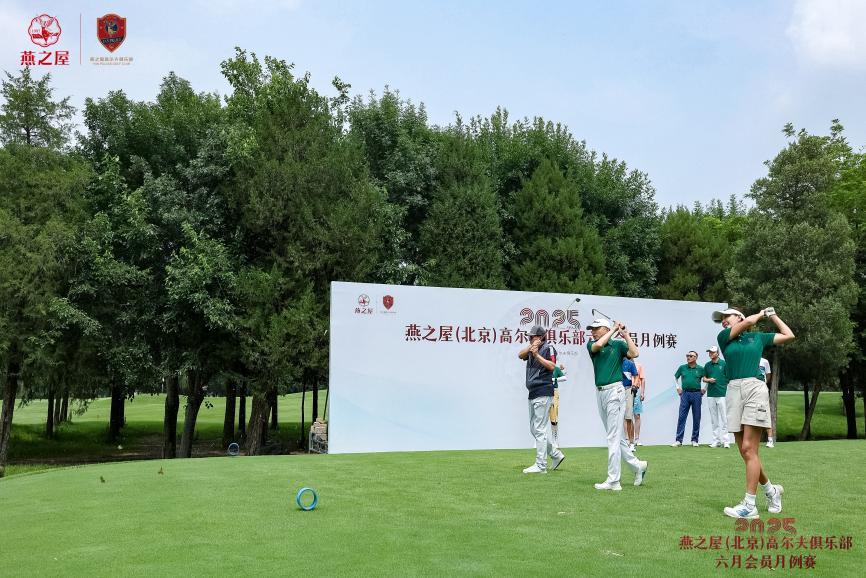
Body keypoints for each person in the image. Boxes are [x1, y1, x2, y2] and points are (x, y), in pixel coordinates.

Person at [712, 307, 795, 519]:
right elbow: (749, 322)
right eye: (721, 319)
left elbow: (789, 335)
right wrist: (759, 315)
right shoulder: (724, 338)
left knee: (749, 448)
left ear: (738, 316)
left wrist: (772, 315)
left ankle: (749, 505)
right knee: (746, 452)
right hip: (733, 390)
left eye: (726, 316)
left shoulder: (758, 338)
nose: (723, 321)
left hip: (754, 389)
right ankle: (771, 491)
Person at [587, 318, 647, 490]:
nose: (593, 331)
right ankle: (637, 466)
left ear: (605, 329)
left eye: (596, 328)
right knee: (615, 436)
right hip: (600, 393)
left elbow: (635, 353)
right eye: (592, 329)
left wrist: (625, 334)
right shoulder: (592, 344)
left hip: (615, 391)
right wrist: (614, 329)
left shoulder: (618, 345)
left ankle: (613, 480)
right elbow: (598, 345)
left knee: (613, 437)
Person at [518, 325, 565, 473]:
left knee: (539, 429)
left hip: (543, 391)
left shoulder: (549, 348)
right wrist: (532, 348)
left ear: (540, 337)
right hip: (532, 392)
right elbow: (520, 355)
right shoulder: (530, 349)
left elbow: (552, 366)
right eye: (529, 336)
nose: (529, 338)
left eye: (532, 336)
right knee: (534, 429)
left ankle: (541, 465)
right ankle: (556, 455)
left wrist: (537, 354)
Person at [672, 351, 706, 447]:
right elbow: (675, 377)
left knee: (697, 417)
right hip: (685, 394)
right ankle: (679, 440)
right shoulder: (682, 367)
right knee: (682, 417)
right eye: (687, 355)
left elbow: (706, 379)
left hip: (697, 394)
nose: (688, 357)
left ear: (696, 357)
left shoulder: (701, 369)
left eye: (691, 356)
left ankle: (694, 440)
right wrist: (677, 388)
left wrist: (705, 389)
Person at [703, 345, 730, 448]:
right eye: (709, 352)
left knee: (724, 418)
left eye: (712, 352)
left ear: (717, 353)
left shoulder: (724, 364)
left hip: (722, 394)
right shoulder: (707, 365)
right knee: (714, 419)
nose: (710, 354)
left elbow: (728, 377)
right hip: (711, 394)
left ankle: (726, 441)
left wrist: (724, 386)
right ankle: (716, 441)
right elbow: (704, 378)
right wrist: (708, 380)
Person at [758, 357, 775, 448]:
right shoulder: (749, 359)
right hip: (750, 390)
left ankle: (770, 439)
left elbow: (768, 375)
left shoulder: (764, 361)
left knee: (765, 413)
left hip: (762, 390)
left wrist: (764, 383)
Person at [622, 357, 638, 451]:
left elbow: (636, 376)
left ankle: (631, 443)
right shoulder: (614, 361)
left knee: (628, 417)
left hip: (628, 390)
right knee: (617, 418)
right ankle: (624, 441)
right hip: (616, 391)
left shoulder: (630, 363)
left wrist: (634, 385)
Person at [550, 364, 566, 450]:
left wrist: (554, 379)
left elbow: (564, 377)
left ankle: (555, 440)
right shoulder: (541, 367)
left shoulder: (555, 368)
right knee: (541, 418)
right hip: (542, 392)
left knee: (554, 418)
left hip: (553, 392)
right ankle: (539, 440)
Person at [632, 360, 646, 446]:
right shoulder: (622, 364)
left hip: (636, 391)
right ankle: (628, 439)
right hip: (626, 390)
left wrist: (642, 393)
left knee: (637, 415)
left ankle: (636, 439)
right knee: (627, 416)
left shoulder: (638, 365)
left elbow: (642, 379)